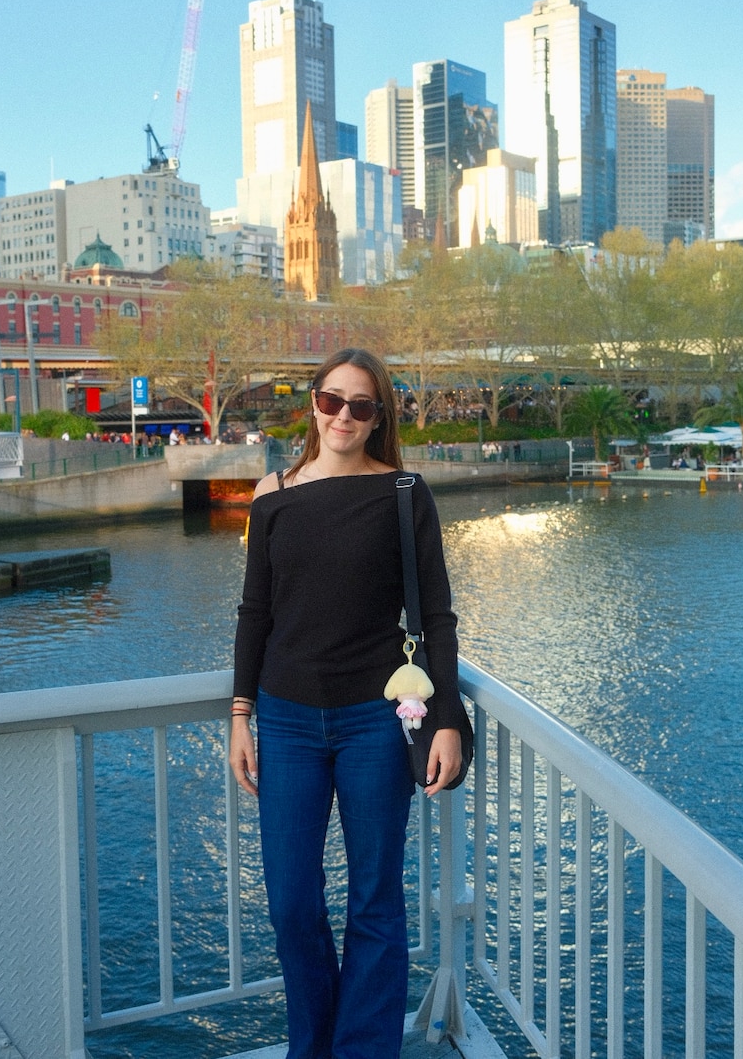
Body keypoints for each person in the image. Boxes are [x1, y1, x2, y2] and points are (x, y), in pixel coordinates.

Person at [230, 347, 463, 1059]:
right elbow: (254, 611)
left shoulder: (403, 491)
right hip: (288, 718)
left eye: (361, 406)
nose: (343, 416)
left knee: (374, 902)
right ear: (312, 403)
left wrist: (447, 716)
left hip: (374, 720)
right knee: (292, 903)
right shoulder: (272, 493)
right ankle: (315, 1045)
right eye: (331, 400)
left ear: (378, 418)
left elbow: (439, 616)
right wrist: (240, 714)